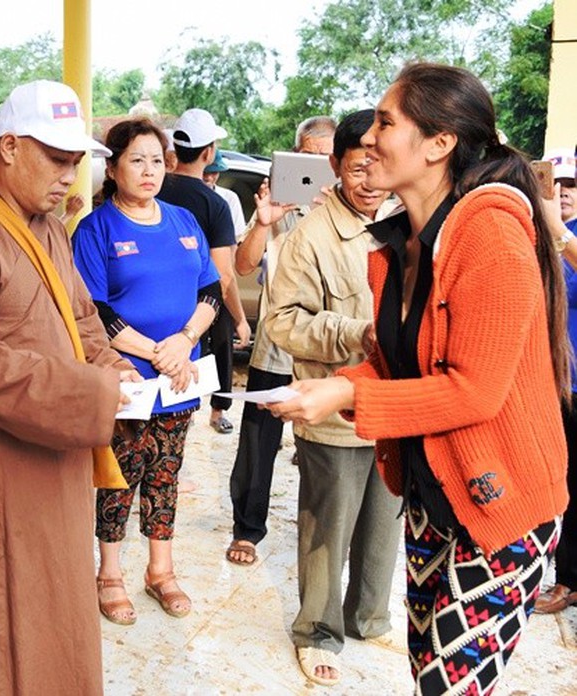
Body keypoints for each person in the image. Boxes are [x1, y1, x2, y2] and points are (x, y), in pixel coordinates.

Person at [269, 62, 568, 695]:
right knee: (425, 669)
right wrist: (328, 384)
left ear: (439, 143)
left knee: (449, 687)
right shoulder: (402, 243)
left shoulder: (488, 231)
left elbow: (474, 389)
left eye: (385, 122)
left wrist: (347, 392)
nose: (367, 139)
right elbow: (398, 360)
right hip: (435, 495)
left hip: (499, 506)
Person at [0, 79, 136, 694]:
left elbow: (81, 316)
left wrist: (111, 367)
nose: (71, 175)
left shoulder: (48, 227)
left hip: (55, 449)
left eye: (77, 161)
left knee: (55, 599)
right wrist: (86, 392)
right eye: (58, 157)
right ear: (8, 147)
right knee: (1, 609)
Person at [265, 110, 401, 687]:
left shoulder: (407, 223)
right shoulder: (311, 236)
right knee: (328, 529)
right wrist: (354, 332)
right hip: (333, 413)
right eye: (356, 167)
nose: (369, 180)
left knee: (383, 523)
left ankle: (369, 618)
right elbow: (282, 322)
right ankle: (316, 631)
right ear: (334, 167)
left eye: (379, 163)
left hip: (396, 408)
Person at [72, 118, 221, 624]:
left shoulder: (184, 221)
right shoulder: (96, 229)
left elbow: (211, 292)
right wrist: (157, 352)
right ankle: (109, 575)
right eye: (136, 160)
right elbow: (93, 309)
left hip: (180, 377)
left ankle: (161, 570)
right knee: (120, 476)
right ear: (112, 169)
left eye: (157, 160)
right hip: (128, 381)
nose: (149, 170)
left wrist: (183, 343)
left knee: (167, 473)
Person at [225, 116, 335, 566]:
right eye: (306, 156)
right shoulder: (278, 206)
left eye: (325, 157)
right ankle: (248, 530)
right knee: (257, 443)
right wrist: (264, 222)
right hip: (276, 345)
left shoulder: (351, 206)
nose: (315, 166)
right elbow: (245, 266)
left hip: (328, 349)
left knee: (327, 449)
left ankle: (325, 541)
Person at [157, 108, 250, 434]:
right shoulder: (214, 205)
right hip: (199, 309)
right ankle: (212, 412)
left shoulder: (153, 190)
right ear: (209, 153)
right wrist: (240, 318)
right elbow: (223, 276)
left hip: (151, 307)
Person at [536, 151, 577, 615]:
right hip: (554, 380)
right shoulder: (544, 239)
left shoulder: (564, 238)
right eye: (554, 185)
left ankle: (568, 580)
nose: (562, 194)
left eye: (570, 187)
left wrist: (558, 233)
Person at [203, 150, 245, 239]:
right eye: (205, 172)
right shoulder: (186, 196)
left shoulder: (230, 198)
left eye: (214, 173)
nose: (209, 177)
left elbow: (238, 236)